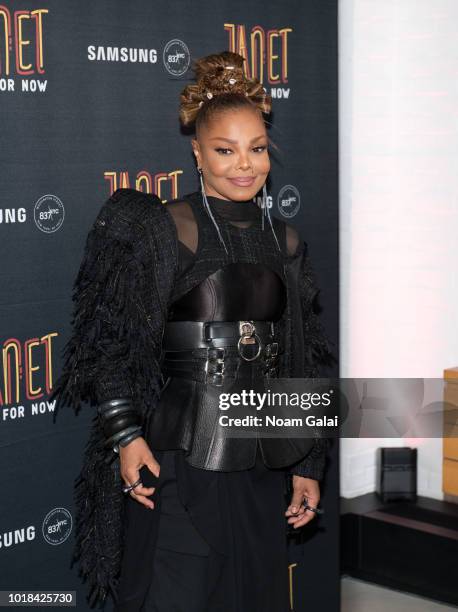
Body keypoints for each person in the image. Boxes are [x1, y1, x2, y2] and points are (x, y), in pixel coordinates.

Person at [50, 51, 336, 612]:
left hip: (259, 458)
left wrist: (307, 463)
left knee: (254, 595)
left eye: (256, 149)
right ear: (197, 153)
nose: (244, 165)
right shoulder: (164, 229)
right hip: (178, 457)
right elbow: (112, 342)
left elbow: (300, 357)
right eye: (226, 150)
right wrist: (125, 436)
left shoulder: (288, 241)